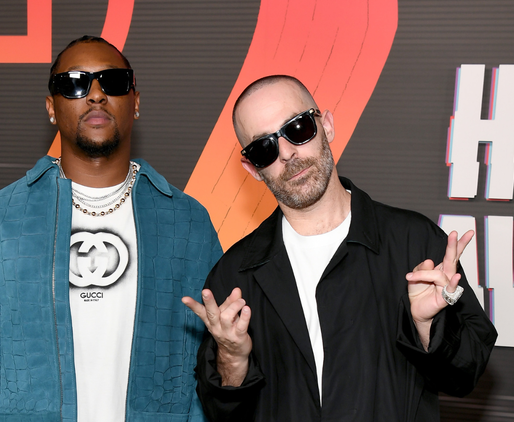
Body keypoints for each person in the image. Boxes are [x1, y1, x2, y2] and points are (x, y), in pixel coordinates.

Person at [0, 35, 222, 422]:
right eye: (74, 83)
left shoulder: (187, 222)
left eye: (113, 81)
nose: (96, 95)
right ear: (51, 107)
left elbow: (212, 365)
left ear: (135, 102)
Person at [182, 75, 497, 421]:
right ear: (252, 168)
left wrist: (426, 327)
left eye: (298, 128)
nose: (286, 153)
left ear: (327, 126)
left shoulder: (414, 242)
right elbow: (221, 412)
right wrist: (232, 357)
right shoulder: (234, 275)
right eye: (264, 148)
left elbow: (466, 374)